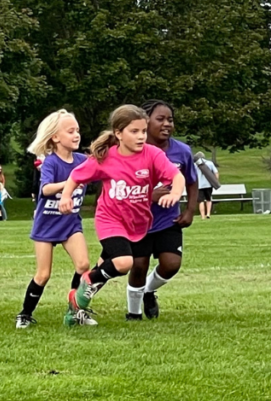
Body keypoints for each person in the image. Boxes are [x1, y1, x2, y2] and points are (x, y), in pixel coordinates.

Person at [59, 105, 184, 318]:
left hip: (138, 223)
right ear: (118, 133)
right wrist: (65, 196)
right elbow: (76, 177)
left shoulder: (152, 154)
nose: (141, 137)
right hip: (110, 220)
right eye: (134, 132)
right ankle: (87, 282)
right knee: (125, 262)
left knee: (106, 265)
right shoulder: (106, 157)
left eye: (143, 131)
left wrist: (175, 194)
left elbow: (177, 177)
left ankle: (75, 310)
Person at [17, 109, 94, 329]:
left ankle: (76, 310)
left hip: (70, 224)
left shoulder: (83, 160)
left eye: (78, 130)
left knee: (83, 265)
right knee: (43, 274)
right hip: (46, 226)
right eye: (70, 131)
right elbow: (47, 188)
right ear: (55, 137)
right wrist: (71, 181)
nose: (76, 135)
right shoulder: (51, 162)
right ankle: (25, 314)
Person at [126, 100, 199, 321]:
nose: (167, 124)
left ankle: (148, 291)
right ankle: (133, 313)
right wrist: (149, 196)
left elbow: (192, 182)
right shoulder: (132, 151)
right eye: (161, 119)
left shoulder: (182, 151)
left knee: (171, 264)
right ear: (146, 122)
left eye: (170, 120)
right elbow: (121, 186)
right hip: (138, 221)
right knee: (138, 265)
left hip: (169, 220)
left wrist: (190, 211)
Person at [196, 152, 218, 220]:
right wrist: (215, 181)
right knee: (209, 199)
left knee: (201, 201)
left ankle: (202, 216)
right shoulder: (210, 163)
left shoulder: (195, 165)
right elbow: (216, 173)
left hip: (199, 185)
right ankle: (208, 214)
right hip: (208, 184)